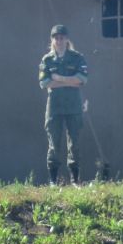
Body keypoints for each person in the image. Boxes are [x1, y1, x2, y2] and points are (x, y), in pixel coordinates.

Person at [39, 24, 89, 184]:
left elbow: (82, 79)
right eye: (56, 38)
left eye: (62, 37)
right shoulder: (47, 60)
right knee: (54, 144)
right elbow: (45, 83)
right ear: (52, 40)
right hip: (54, 107)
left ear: (67, 39)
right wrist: (70, 82)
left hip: (74, 106)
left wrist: (59, 78)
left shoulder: (77, 58)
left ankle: (75, 180)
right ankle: (53, 181)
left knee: (74, 144)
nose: (59, 41)